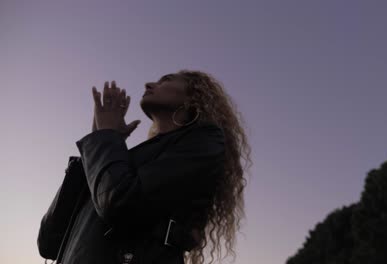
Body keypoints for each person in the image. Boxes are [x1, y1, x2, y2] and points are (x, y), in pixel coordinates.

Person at [37, 70, 252, 264]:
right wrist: (97, 142)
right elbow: (49, 242)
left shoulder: (206, 140)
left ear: (193, 96)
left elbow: (121, 203)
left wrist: (106, 137)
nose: (149, 84)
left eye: (165, 80)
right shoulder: (123, 158)